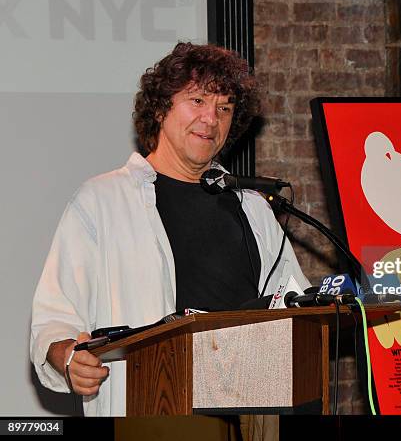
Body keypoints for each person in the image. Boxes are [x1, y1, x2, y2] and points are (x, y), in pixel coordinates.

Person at [30, 42, 309, 417]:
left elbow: (295, 306)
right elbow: (54, 317)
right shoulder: (102, 200)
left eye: (224, 108)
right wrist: (67, 358)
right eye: (197, 101)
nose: (211, 119)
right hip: (156, 410)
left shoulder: (254, 208)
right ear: (161, 107)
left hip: (254, 409)